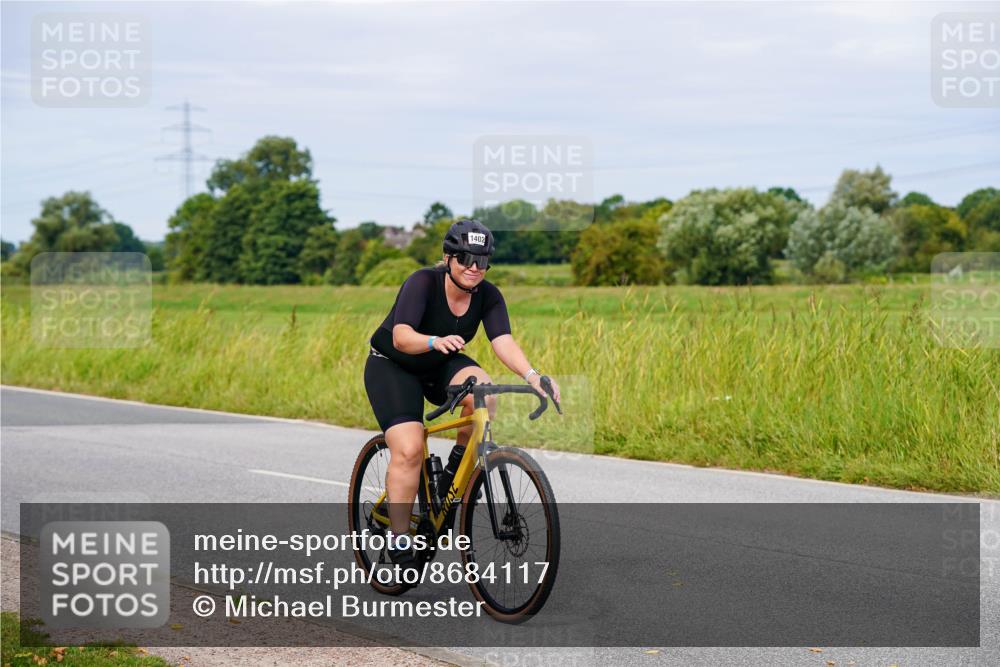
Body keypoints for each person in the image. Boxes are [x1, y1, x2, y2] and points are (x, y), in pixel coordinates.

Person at [363, 218, 561, 573]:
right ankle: (397, 535)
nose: (474, 268)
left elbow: (502, 340)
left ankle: (453, 475)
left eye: (482, 261)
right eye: (466, 259)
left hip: (440, 362)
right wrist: (433, 341)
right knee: (408, 449)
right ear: (448, 257)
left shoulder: (488, 295)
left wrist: (533, 376)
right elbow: (401, 335)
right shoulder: (422, 282)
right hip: (394, 365)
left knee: (485, 393)